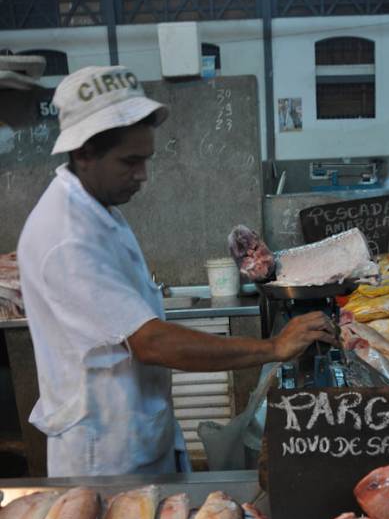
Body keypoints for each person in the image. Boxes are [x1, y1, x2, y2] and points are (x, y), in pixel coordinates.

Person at [17, 66, 335, 477]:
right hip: (108, 457)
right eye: (129, 162)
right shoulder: (66, 234)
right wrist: (273, 349)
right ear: (83, 153)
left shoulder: (98, 210)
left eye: (145, 159)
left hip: (139, 435)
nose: (142, 175)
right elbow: (151, 343)